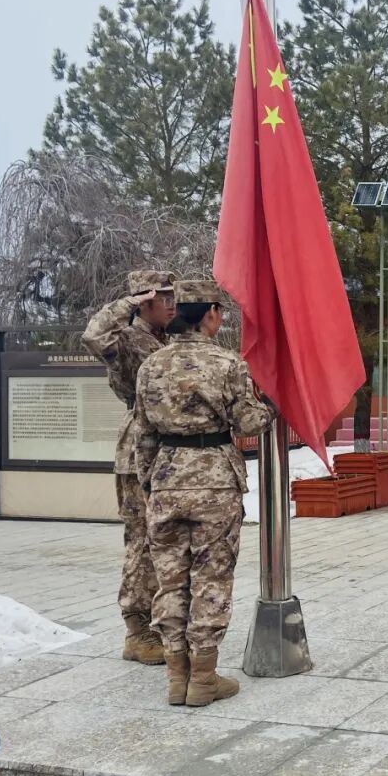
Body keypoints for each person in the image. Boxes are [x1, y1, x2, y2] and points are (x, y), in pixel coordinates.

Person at [134, 281, 273, 707]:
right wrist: (270, 406)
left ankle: (178, 677)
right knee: (211, 580)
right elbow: (249, 423)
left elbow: (143, 435)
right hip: (214, 481)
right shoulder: (226, 363)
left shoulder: (151, 365)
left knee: (170, 581)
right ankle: (205, 678)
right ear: (211, 313)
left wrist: (150, 484)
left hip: (167, 481)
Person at [82, 269, 177, 667]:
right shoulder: (125, 338)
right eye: (164, 297)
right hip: (138, 447)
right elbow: (93, 336)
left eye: (175, 297)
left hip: (167, 448)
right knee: (141, 542)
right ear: (144, 301)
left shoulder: (165, 340)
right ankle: (138, 631)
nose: (172, 304)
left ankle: (160, 621)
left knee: (163, 540)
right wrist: (127, 303)